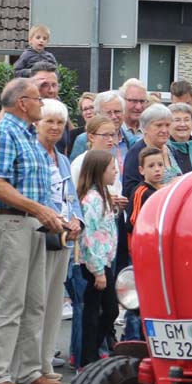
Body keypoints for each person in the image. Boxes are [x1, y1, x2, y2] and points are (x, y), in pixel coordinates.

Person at [0, 77, 67, 384]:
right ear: (22, 103)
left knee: (34, 301)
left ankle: (29, 370)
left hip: (31, 222)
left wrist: (53, 215)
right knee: (9, 300)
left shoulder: (28, 135)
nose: (42, 102)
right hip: (10, 221)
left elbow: (36, 187)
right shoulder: (3, 132)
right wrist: (39, 210)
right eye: (37, 98)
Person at [35, 98, 83, 384]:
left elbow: (72, 197)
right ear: (37, 123)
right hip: (42, 235)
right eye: (49, 121)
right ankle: (32, 365)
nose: (55, 127)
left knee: (54, 304)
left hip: (64, 238)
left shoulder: (62, 158)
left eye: (60, 122)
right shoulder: (34, 155)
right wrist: (59, 220)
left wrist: (77, 219)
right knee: (37, 303)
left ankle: (44, 363)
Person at [75, 150, 119, 368]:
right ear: (100, 171)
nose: (116, 172)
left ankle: (89, 354)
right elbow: (90, 236)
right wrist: (98, 270)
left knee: (104, 310)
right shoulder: (92, 199)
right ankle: (87, 356)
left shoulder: (104, 195)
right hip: (96, 264)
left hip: (104, 261)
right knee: (101, 311)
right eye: (112, 168)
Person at [121, 104, 181, 196]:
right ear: (145, 128)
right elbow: (130, 191)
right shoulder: (136, 152)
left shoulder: (172, 150)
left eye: (168, 125)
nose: (164, 130)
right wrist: (165, 188)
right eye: (159, 125)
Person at [71, 89, 124, 161]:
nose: (114, 116)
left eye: (117, 111)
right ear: (98, 114)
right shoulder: (83, 140)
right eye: (108, 113)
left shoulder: (131, 139)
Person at [119, 78, 148, 147]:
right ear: (122, 101)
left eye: (142, 101)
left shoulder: (149, 130)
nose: (138, 107)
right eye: (133, 101)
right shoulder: (114, 130)